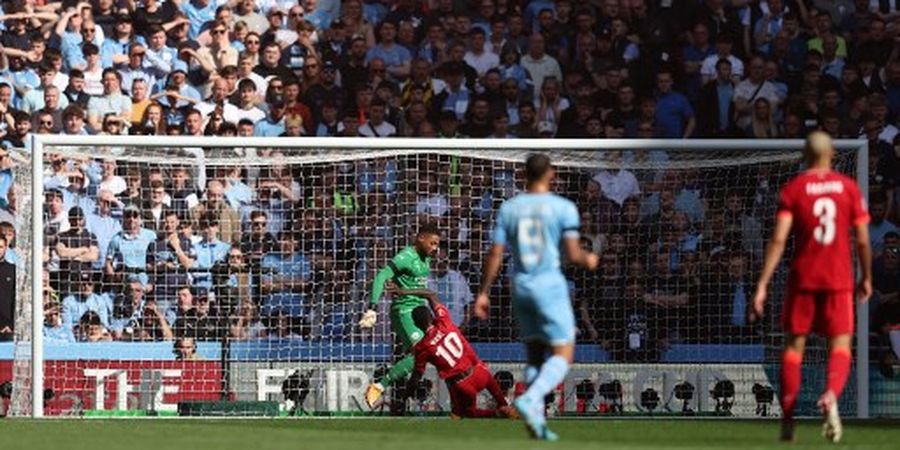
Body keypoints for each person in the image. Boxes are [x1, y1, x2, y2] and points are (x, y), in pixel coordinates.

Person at [750, 131, 872, 443]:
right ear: (831, 153)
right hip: (838, 279)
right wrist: (866, 276)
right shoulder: (848, 188)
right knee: (841, 346)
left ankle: (788, 418)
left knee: (793, 349)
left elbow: (778, 239)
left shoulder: (795, 189)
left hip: (803, 278)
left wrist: (762, 284)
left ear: (805, 154)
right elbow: (861, 238)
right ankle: (830, 395)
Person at [474, 153, 598, 441]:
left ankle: (537, 425)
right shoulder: (563, 207)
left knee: (534, 356)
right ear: (551, 174)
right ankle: (532, 397)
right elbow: (572, 253)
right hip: (549, 285)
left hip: (520, 286)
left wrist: (483, 293)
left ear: (523, 175)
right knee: (563, 354)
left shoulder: (510, 208)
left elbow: (496, 252)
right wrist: (589, 258)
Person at [359, 222, 441, 408]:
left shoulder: (426, 257)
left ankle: (402, 400)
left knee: (429, 353)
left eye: (437, 244)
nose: (435, 248)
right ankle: (379, 386)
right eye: (433, 243)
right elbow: (381, 276)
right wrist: (372, 308)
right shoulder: (405, 257)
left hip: (420, 311)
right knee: (421, 352)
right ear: (420, 238)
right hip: (404, 312)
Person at [400, 288, 512, 418]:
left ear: (416, 325)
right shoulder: (444, 320)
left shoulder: (422, 348)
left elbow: (416, 377)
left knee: (468, 412)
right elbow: (431, 294)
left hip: (463, 384)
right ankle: (509, 411)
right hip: (480, 371)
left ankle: (497, 414)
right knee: (504, 404)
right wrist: (404, 292)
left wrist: (404, 398)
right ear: (431, 316)